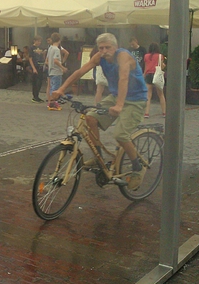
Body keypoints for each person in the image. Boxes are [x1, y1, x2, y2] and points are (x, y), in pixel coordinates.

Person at [51, 33, 148, 190]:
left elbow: (124, 78)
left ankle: (138, 168)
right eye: (101, 48)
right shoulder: (99, 57)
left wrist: (119, 106)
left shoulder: (123, 56)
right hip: (116, 96)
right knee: (90, 119)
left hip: (135, 100)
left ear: (115, 47)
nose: (104, 51)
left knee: (120, 135)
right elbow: (80, 72)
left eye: (107, 47)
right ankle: (98, 158)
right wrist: (61, 89)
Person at [143, 42, 167, 118]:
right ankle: (164, 112)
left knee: (148, 95)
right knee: (161, 94)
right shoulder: (160, 56)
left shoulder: (146, 56)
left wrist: (144, 75)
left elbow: (146, 67)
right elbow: (161, 67)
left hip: (148, 75)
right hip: (157, 75)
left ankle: (146, 113)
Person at [46, 33, 68, 111]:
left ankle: (51, 103)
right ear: (59, 40)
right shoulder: (56, 49)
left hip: (51, 70)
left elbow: (48, 59)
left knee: (52, 87)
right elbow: (56, 60)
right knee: (56, 88)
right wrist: (63, 67)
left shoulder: (50, 48)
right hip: (56, 71)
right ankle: (53, 104)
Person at [28, 35, 46, 103]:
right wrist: (33, 68)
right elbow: (30, 58)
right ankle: (35, 96)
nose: (39, 42)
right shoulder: (31, 48)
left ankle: (37, 96)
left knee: (40, 82)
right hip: (35, 66)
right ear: (34, 41)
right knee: (35, 82)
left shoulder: (41, 48)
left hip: (40, 65)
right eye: (38, 41)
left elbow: (43, 56)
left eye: (40, 41)